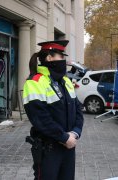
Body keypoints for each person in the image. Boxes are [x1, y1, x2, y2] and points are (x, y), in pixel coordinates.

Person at [23, 40, 84, 180]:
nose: (64, 60)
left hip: (69, 146)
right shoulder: (34, 82)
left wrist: (75, 133)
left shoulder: (66, 80)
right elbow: (40, 118)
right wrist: (63, 137)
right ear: (49, 58)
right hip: (49, 148)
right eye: (61, 56)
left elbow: (78, 110)